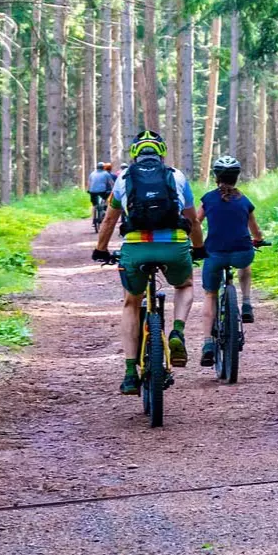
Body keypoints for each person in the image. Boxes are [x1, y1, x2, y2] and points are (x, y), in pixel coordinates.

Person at [92, 130, 206, 395]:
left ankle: (130, 373)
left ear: (134, 154)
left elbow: (109, 220)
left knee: (131, 303)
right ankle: (177, 331)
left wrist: (101, 250)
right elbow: (193, 219)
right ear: (161, 152)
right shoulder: (177, 176)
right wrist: (198, 248)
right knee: (185, 285)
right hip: (174, 247)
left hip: (136, 248)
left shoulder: (123, 178)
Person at [195, 156, 265, 367]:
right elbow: (255, 229)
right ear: (237, 177)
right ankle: (245, 302)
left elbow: (195, 223)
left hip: (214, 253)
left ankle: (208, 342)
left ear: (216, 177)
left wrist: (195, 245)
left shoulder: (208, 199)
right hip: (242, 252)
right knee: (245, 263)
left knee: (210, 294)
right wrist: (259, 240)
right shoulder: (244, 201)